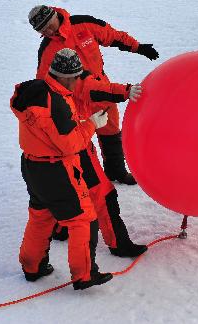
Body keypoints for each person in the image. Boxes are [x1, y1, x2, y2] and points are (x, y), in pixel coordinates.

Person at [10, 50, 113, 290]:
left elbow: (53, 131)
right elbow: (71, 144)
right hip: (57, 169)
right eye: (76, 77)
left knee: (41, 216)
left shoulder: (36, 91)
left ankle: (32, 267)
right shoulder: (55, 102)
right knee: (83, 219)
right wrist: (91, 124)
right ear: (66, 77)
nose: (78, 82)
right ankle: (84, 275)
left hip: (33, 166)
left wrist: (79, 124)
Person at [28, 5, 159, 185]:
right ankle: (84, 181)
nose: (49, 31)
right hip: (75, 100)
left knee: (111, 133)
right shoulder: (47, 50)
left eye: (49, 25)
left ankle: (116, 172)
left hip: (103, 91)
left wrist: (138, 47)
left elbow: (112, 35)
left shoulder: (83, 24)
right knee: (79, 141)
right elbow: (43, 82)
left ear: (54, 15)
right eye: (43, 30)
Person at [48, 49, 148, 258]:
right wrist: (126, 92)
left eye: (77, 77)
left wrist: (125, 91)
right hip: (76, 149)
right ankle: (118, 244)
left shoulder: (45, 85)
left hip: (50, 157)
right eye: (72, 78)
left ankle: (59, 229)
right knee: (105, 195)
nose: (76, 82)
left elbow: (101, 89)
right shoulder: (73, 87)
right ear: (61, 76)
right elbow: (100, 90)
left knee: (67, 191)